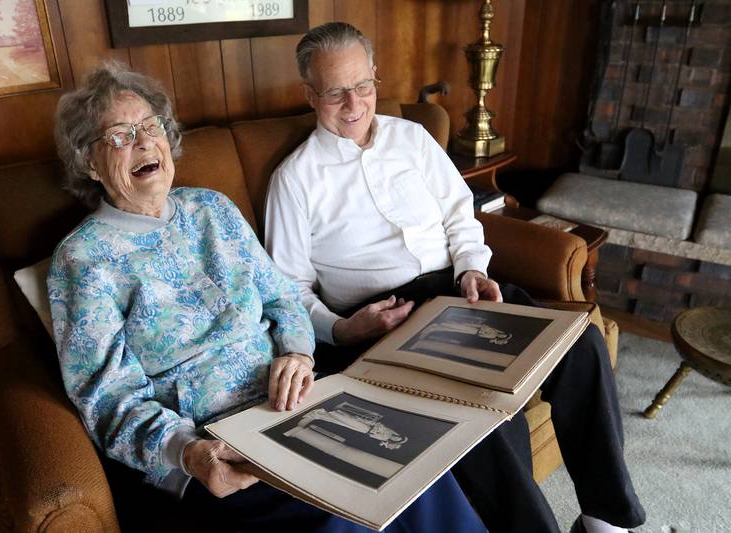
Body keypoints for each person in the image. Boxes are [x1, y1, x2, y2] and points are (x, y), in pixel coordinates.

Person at [47, 61, 487, 533]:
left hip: (293, 403)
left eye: (150, 127)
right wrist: (189, 451)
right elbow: (106, 396)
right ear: (89, 163)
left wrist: (298, 353)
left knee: (415, 473)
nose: (143, 143)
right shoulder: (83, 260)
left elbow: (283, 300)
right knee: (343, 518)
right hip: (210, 440)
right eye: (119, 135)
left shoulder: (213, 209)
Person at [265, 22, 646, 533]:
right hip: (380, 323)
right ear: (310, 94)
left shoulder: (412, 138)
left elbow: (460, 215)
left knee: (579, 346)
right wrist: (342, 328)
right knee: (476, 419)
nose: (353, 104)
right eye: (335, 92)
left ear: (376, 77)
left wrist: (472, 269)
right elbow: (287, 290)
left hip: (458, 291)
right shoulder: (294, 180)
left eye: (363, 86)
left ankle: (607, 520)